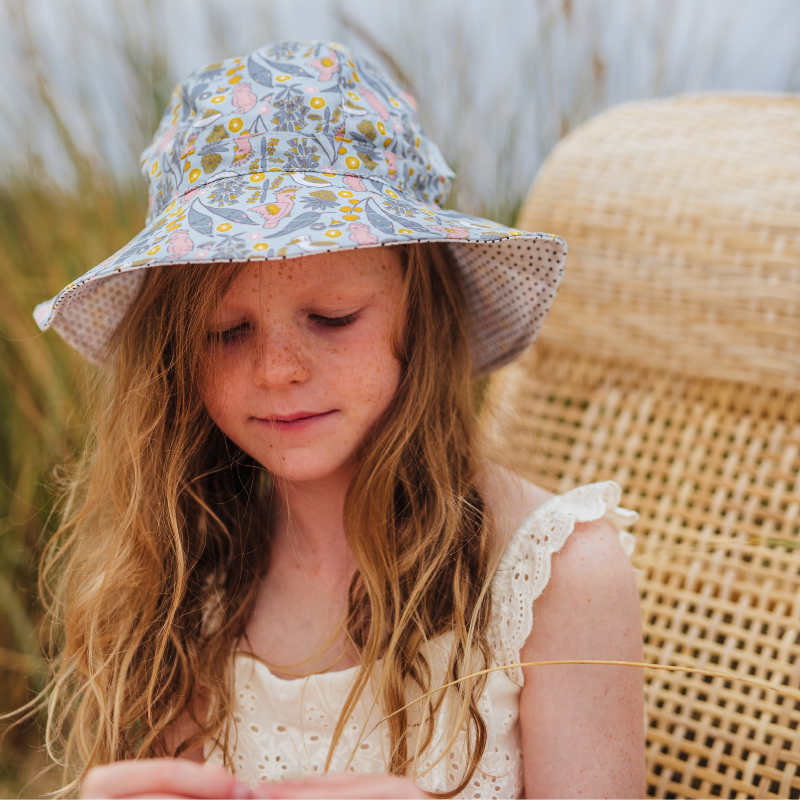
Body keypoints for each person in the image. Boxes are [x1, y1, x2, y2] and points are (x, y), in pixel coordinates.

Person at [31, 41, 645, 799]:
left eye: (331, 316)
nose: (277, 370)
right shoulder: (193, 577)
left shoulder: (555, 576)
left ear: (421, 312)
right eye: (227, 332)